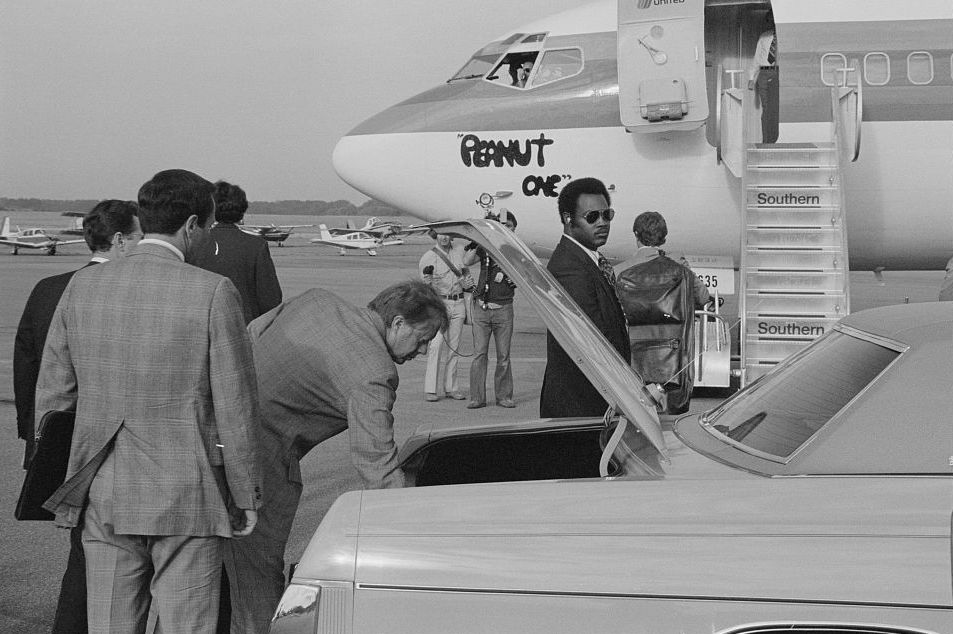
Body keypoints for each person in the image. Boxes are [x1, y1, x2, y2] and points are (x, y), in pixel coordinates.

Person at [35, 169, 261, 634]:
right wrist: (245, 492)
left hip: (103, 489)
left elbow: (54, 396)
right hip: (186, 494)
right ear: (192, 225)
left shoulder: (82, 286)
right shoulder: (213, 291)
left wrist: (62, 474)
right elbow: (236, 407)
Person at [223, 280, 448, 634]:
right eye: (422, 339)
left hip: (217, 441)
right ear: (398, 322)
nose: (421, 351)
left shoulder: (318, 300)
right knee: (257, 582)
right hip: (258, 466)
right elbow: (377, 466)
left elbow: (250, 335)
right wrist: (416, 531)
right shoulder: (373, 372)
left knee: (207, 577)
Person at [14, 199, 141, 634]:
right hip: (112, 443)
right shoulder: (128, 290)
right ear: (122, 239)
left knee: (83, 551)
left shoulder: (48, 287)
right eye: (141, 235)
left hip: (60, 438)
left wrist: (36, 441)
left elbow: (27, 365)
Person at [540, 177, 630, 418]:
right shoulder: (569, 267)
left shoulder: (586, 259)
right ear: (569, 220)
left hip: (592, 401)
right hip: (581, 405)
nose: (602, 223)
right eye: (592, 217)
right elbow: (596, 341)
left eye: (607, 215)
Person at [615, 211, 711, 414]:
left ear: (636, 235)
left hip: (633, 364)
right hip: (675, 366)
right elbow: (703, 298)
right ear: (664, 237)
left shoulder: (619, 272)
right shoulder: (681, 270)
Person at [189, 180, 282, 323]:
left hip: (200, 325)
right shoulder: (256, 245)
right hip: (244, 328)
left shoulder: (195, 243)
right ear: (242, 210)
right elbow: (271, 300)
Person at [462, 209, 518, 409]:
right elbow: (466, 261)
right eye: (502, 225)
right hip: (482, 308)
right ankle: (477, 397)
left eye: (509, 226)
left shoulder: (514, 250)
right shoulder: (485, 248)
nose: (505, 229)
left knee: (503, 356)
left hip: (503, 308)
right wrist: (480, 238)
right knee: (480, 354)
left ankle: (504, 396)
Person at [419, 231, 469, 401]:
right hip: (440, 304)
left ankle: (451, 387)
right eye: (440, 234)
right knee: (436, 346)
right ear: (435, 236)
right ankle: (431, 389)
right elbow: (424, 288)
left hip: (459, 301)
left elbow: (468, 266)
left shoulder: (459, 252)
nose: (444, 237)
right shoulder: (428, 257)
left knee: (454, 348)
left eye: (447, 234)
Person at [749, 17, 779, 143]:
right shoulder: (764, 37)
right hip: (764, 73)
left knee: (777, 108)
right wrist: (751, 78)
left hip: (779, 72)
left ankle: (777, 139)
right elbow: (757, 58)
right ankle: (766, 142)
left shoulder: (785, 36)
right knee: (766, 109)